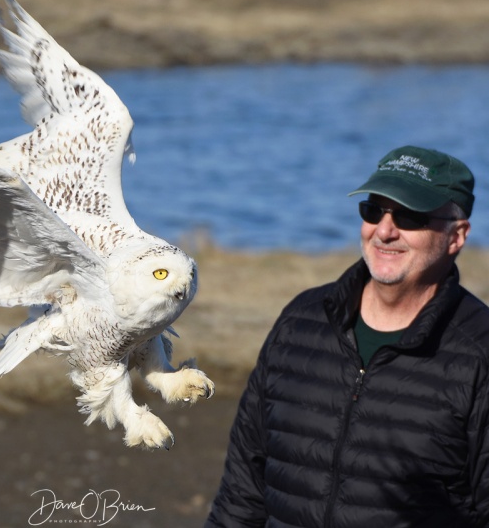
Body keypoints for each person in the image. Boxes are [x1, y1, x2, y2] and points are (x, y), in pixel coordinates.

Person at [205, 145, 489, 527]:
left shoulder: (478, 352)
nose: (385, 231)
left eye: (409, 216)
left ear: (456, 236)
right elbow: (243, 490)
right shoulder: (301, 321)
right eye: (374, 210)